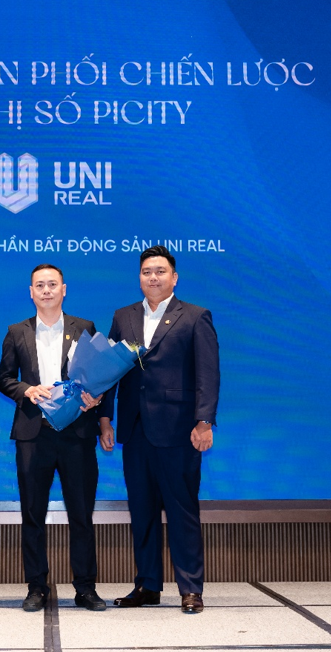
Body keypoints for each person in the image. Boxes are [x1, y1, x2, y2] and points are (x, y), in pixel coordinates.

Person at [99, 246, 220, 614]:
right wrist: (105, 418)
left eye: (160, 271)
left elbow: (208, 373)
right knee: (142, 511)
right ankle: (147, 585)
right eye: (146, 272)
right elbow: (110, 370)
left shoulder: (195, 316)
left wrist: (204, 421)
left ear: (174, 277)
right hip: (135, 429)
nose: (153, 277)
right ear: (139, 277)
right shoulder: (123, 316)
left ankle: (191, 589)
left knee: (182, 510)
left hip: (179, 429)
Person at [0, 264, 109, 613]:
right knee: (32, 514)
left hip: (77, 433)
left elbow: (100, 375)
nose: (46, 290)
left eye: (52, 284)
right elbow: (4, 379)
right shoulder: (16, 331)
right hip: (34, 434)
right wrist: (27, 390)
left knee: (81, 514)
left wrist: (96, 397)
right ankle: (36, 587)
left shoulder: (84, 328)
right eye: (40, 285)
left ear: (64, 289)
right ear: (31, 292)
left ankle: (86, 588)